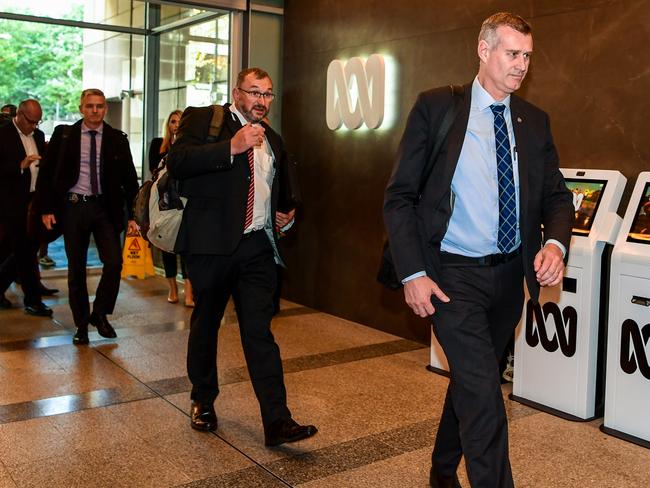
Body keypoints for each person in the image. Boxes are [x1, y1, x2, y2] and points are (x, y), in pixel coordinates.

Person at [383, 12, 574, 488]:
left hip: (509, 278)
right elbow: (399, 196)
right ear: (484, 50)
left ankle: (442, 469)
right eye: (512, 53)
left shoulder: (534, 122)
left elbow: (556, 195)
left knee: (476, 379)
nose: (522, 65)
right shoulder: (437, 108)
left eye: (528, 55)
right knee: (486, 395)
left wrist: (554, 242)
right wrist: (412, 273)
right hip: (451, 276)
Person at [167, 67, 317, 446]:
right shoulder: (204, 118)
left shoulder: (274, 141)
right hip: (211, 245)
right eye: (254, 92)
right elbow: (179, 162)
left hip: (256, 249)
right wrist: (231, 147)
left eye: (267, 95)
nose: (261, 101)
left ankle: (277, 421)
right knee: (206, 323)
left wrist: (285, 213)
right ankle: (202, 399)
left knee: (259, 333)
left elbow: (274, 189)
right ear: (237, 93)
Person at [35, 88, 139, 344]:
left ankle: (100, 313)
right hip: (73, 208)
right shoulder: (64, 134)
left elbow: (129, 179)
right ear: (81, 108)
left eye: (100, 106)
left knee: (114, 262)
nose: (95, 110)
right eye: (90, 106)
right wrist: (46, 209)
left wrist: (134, 215)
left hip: (105, 209)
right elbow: (47, 174)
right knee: (76, 270)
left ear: (105, 109)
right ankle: (81, 325)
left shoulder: (117, 138)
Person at [0, 99, 52, 316]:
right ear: (19, 115)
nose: (34, 126)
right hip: (11, 204)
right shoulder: (3, 134)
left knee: (23, 250)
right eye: (31, 121)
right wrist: (19, 167)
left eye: (38, 122)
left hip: (34, 202)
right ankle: (33, 300)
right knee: (24, 251)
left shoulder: (38, 136)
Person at [147, 109, 194, 306]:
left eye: (180, 121)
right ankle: (173, 289)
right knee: (167, 247)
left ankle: (189, 293)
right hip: (164, 203)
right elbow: (154, 172)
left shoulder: (191, 146)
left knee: (186, 247)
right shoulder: (159, 145)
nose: (176, 125)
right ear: (168, 125)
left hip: (185, 201)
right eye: (173, 121)